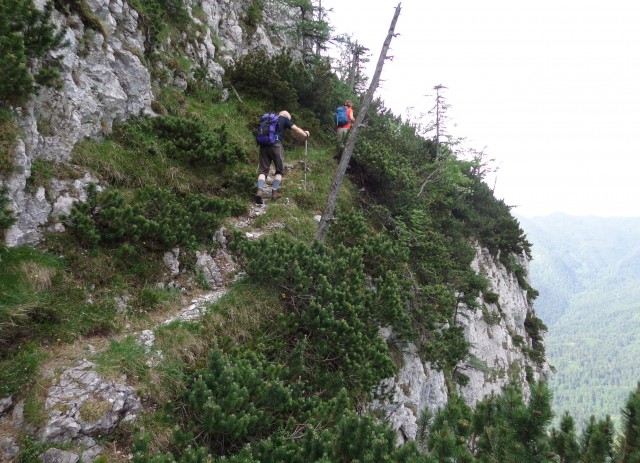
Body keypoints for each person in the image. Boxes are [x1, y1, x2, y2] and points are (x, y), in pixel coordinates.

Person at [256, 110, 310, 204]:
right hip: (276, 145)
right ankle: (274, 192)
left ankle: (260, 190)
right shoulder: (284, 119)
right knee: (279, 170)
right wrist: (305, 134)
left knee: (263, 170)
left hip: (263, 145)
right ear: (285, 115)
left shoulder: (268, 119)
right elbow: (296, 129)